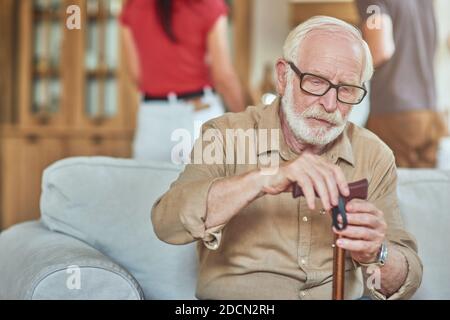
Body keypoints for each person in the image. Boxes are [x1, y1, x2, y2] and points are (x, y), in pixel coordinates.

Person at [151, 16, 422, 300]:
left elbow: (405, 280)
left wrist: (378, 252)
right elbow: (167, 223)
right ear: (283, 77)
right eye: (316, 82)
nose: (330, 105)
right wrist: (265, 178)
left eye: (346, 90)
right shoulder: (225, 135)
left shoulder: (374, 155)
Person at [120, 0, 245, 162]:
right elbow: (224, 77)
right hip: (198, 115)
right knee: (208, 185)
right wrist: (244, 120)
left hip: (152, 117)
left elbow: (136, 74)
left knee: (150, 184)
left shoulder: (133, 6)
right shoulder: (209, 4)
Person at [356, 0, 448, 168]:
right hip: (429, 111)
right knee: (424, 187)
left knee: (390, 187)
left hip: (394, 113)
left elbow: (380, 49)